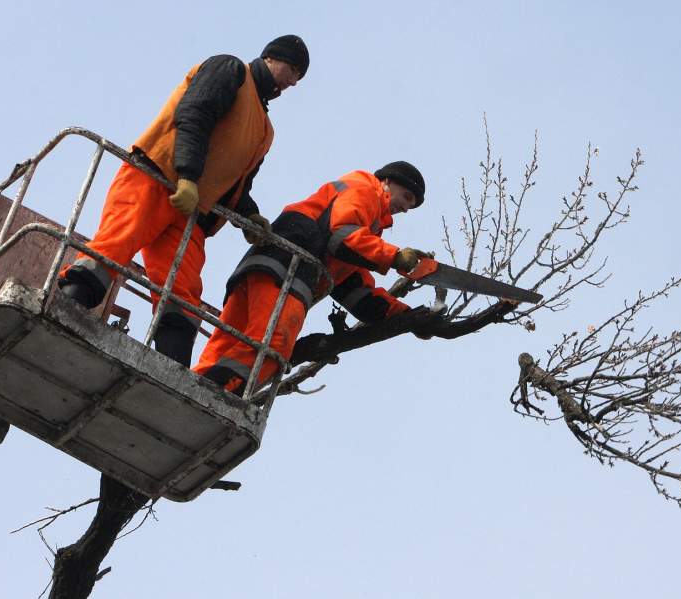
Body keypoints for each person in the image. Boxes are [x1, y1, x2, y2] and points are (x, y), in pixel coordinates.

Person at [57, 35, 310, 366]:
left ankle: (170, 369)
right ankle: (60, 313)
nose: (292, 82)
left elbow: (237, 183)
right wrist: (188, 175)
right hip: (155, 177)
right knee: (114, 248)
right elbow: (194, 113)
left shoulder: (264, 130)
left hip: (192, 210)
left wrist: (249, 216)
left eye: (298, 77)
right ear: (272, 58)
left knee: (183, 290)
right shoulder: (231, 70)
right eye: (292, 70)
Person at [195, 161, 428, 395]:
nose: (407, 207)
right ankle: (214, 393)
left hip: (268, 265)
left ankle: (193, 386)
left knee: (229, 343)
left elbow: (356, 289)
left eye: (412, 205)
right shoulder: (365, 190)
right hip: (288, 268)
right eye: (407, 196)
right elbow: (342, 234)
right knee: (274, 341)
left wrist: (408, 317)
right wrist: (394, 255)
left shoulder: (362, 224)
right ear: (387, 181)